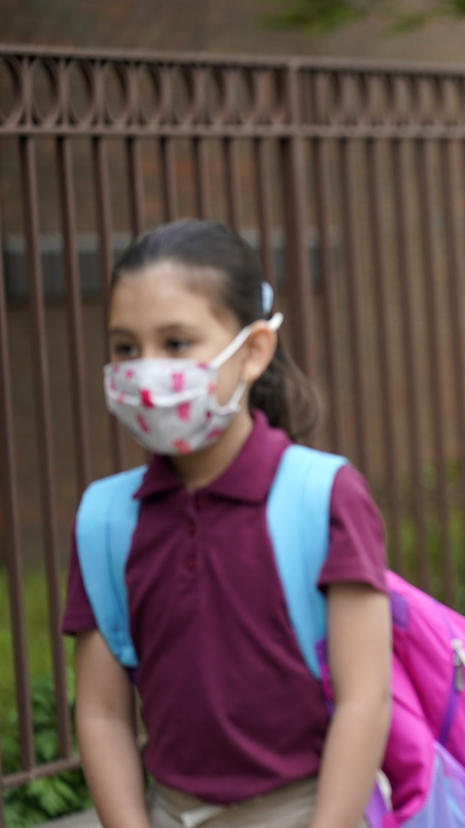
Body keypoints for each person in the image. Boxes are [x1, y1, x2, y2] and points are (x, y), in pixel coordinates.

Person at [63, 220, 392, 827]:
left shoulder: (322, 496)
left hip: (308, 809)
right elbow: (102, 714)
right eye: (126, 347)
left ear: (253, 351)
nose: (146, 370)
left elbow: (365, 698)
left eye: (176, 342)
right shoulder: (106, 520)